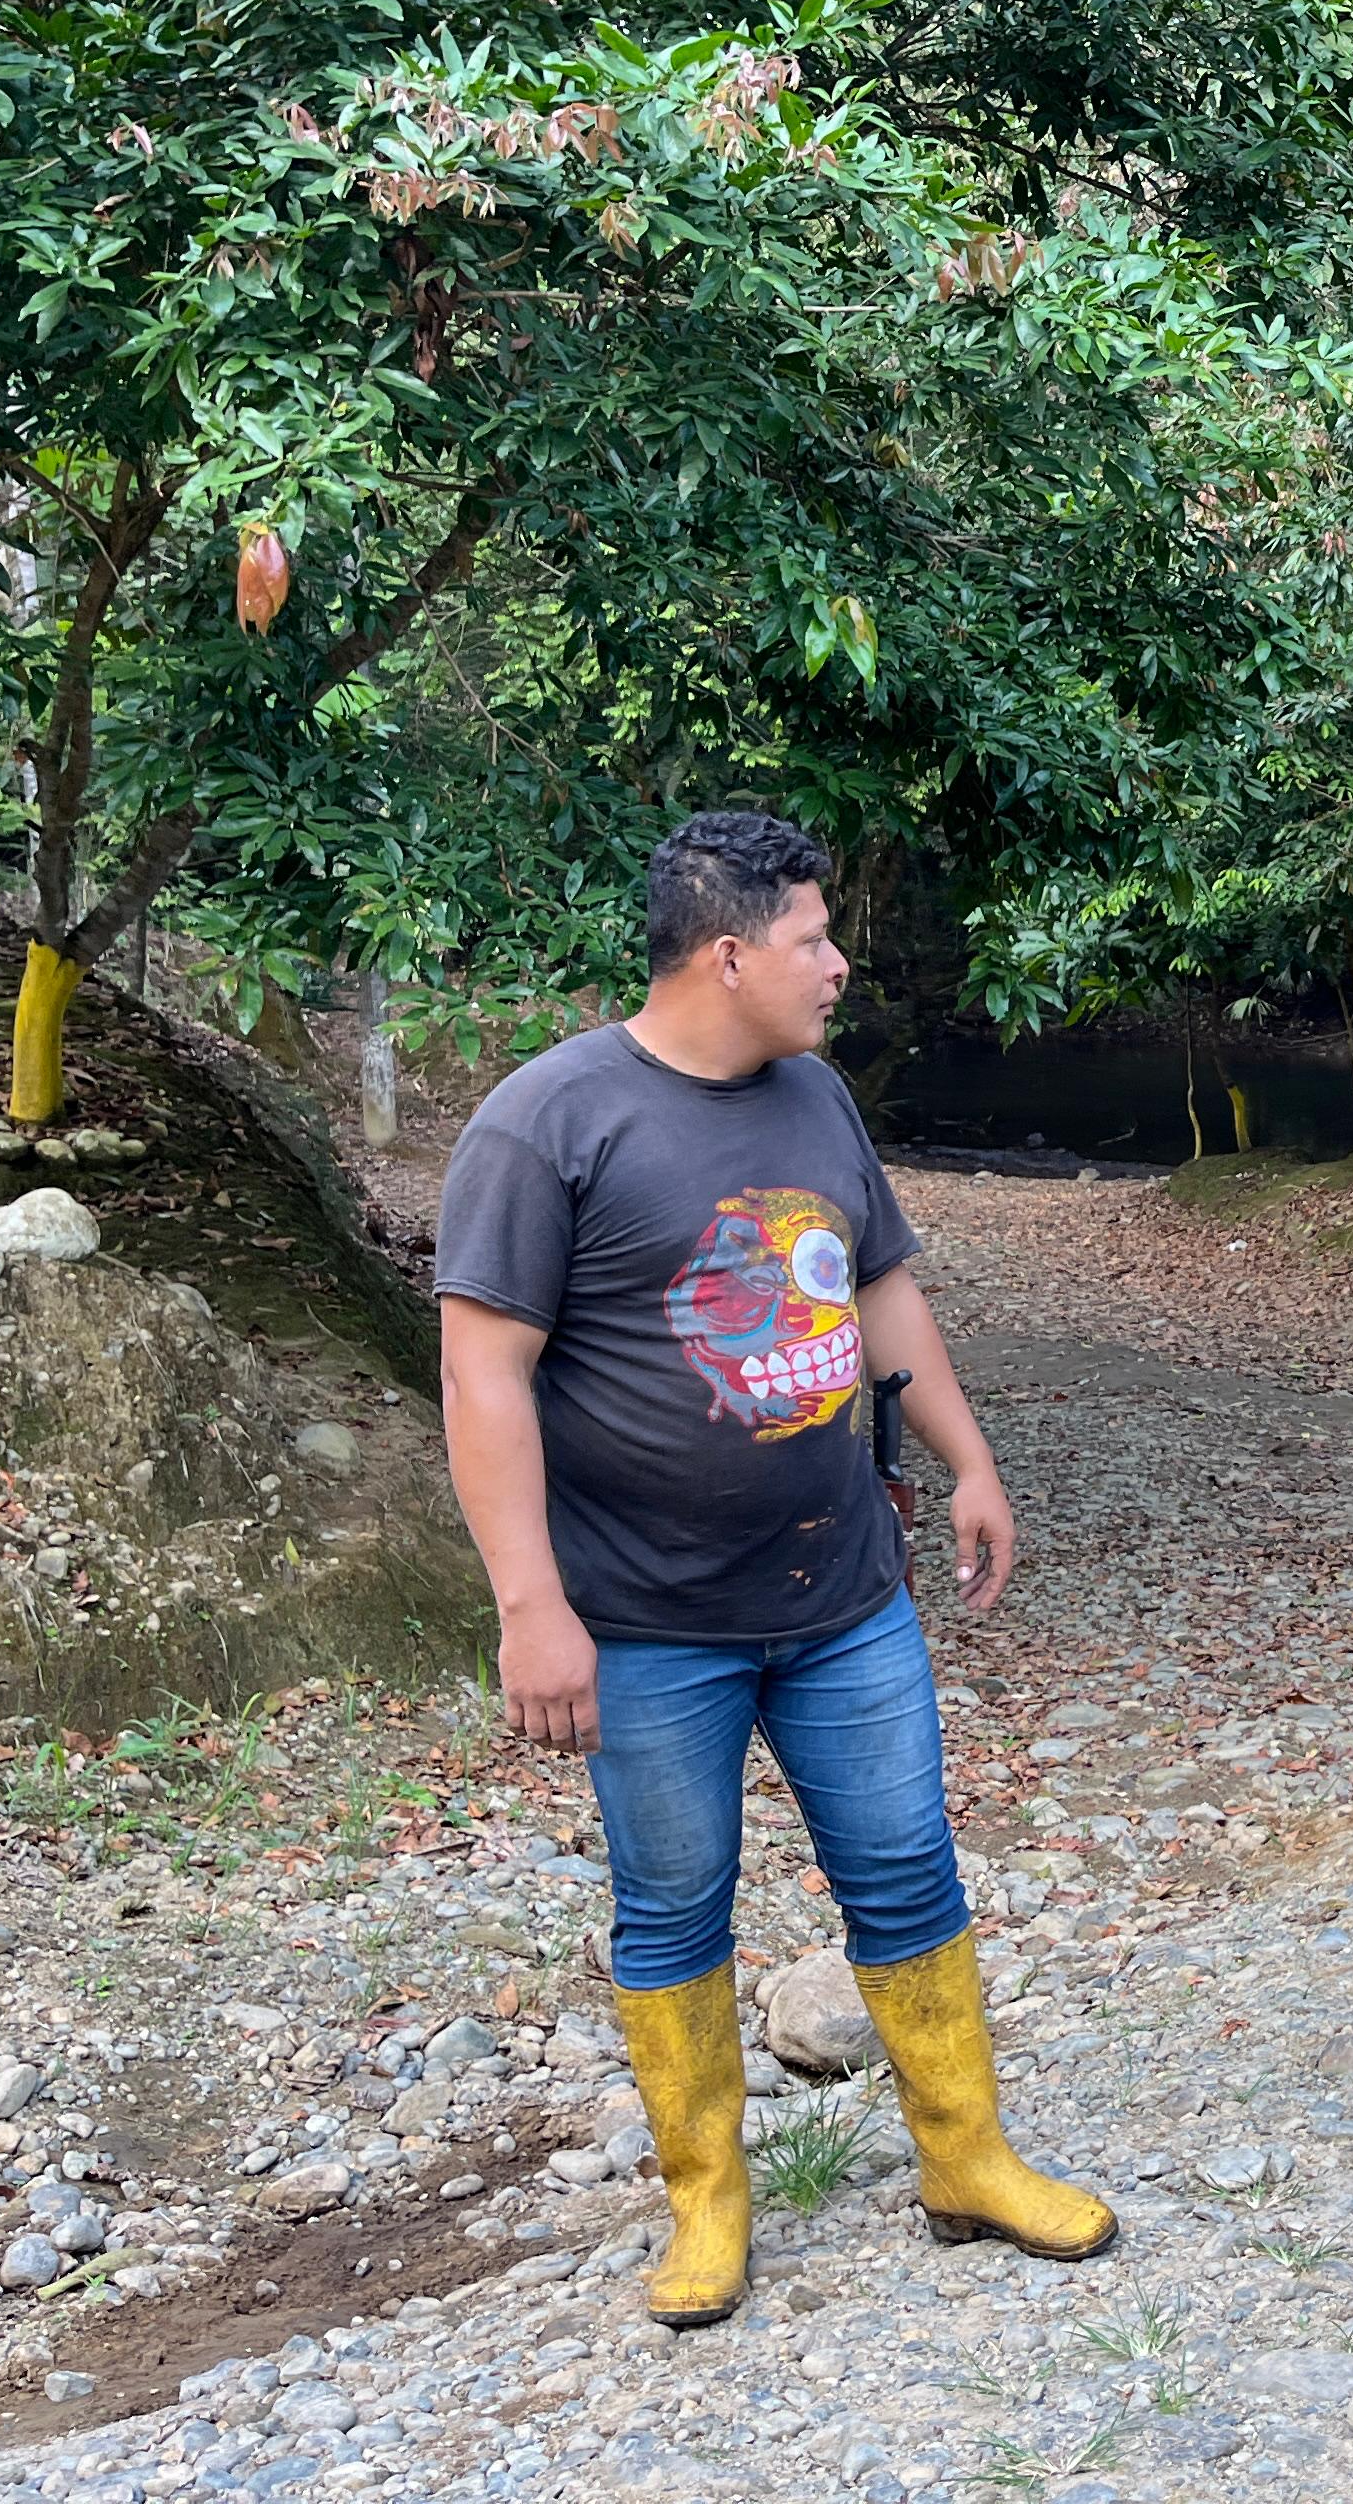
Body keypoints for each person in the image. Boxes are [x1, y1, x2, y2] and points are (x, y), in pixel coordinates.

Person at [435, 809, 1115, 2331]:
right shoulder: (548, 1124)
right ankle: (708, 2203)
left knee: (908, 1871)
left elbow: (879, 1288)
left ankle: (966, 2159)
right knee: (673, 1909)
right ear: (730, 955)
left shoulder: (816, 1096)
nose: (838, 962)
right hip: (645, 1622)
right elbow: (483, 1380)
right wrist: (531, 1608)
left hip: (843, 1602)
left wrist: (968, 1459)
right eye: (814, 937)